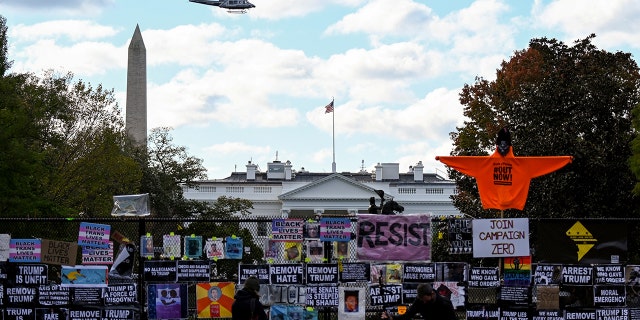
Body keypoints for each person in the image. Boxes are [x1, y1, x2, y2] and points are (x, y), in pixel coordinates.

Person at [381, 283, 456, 320]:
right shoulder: (419, 300)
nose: (423, 302)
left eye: (424, 299)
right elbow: (408, 314)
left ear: (432, 294)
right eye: (421, 299)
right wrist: (392, 317)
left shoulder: (445, 303)